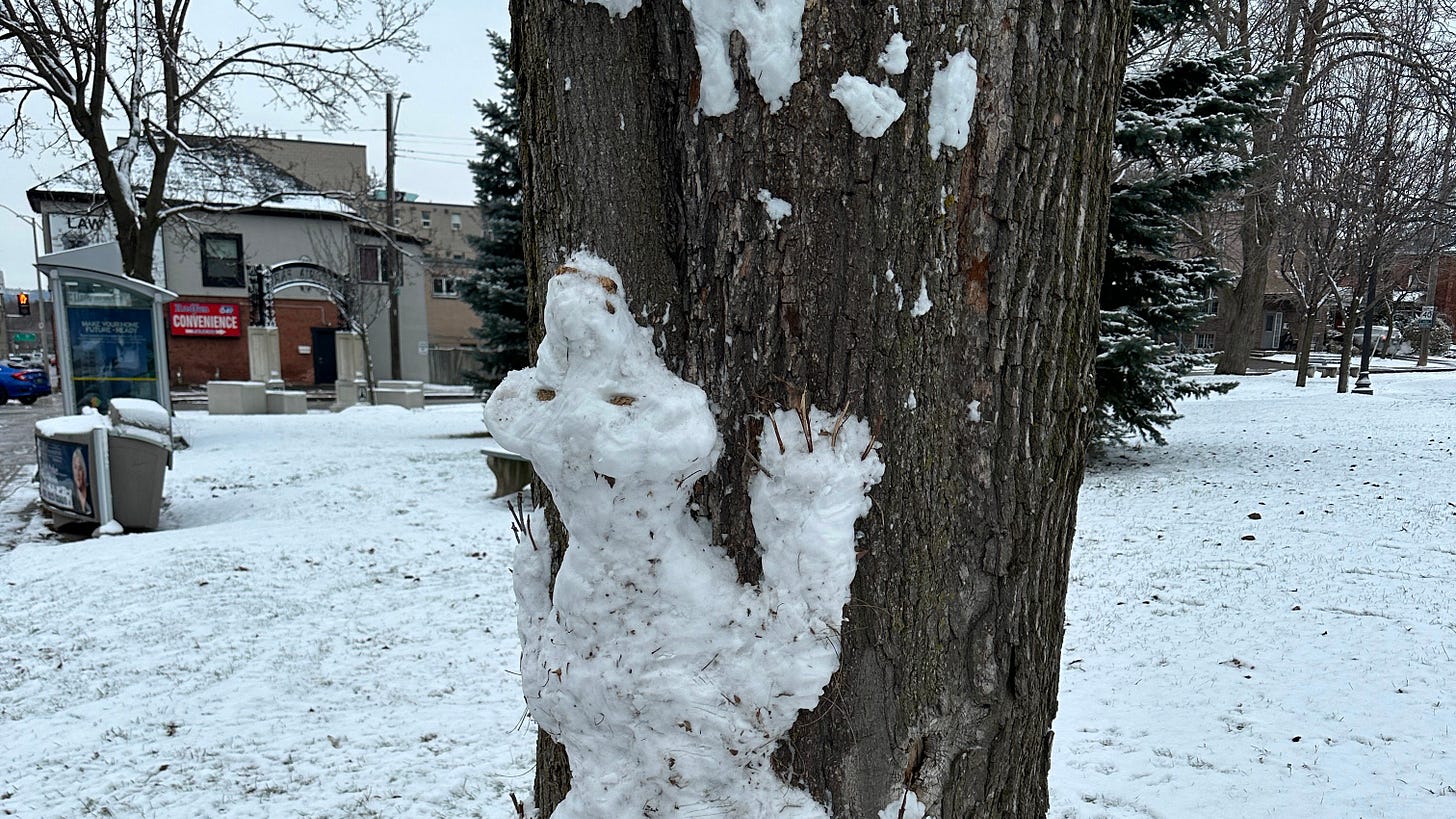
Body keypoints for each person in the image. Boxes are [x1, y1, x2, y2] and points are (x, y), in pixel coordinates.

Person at [71, 448, 92, 516]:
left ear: (84, 471)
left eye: (80, 468)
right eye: (75, 467)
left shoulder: (93, 494)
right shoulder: (72, 496)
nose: (77, 473)